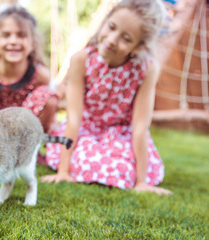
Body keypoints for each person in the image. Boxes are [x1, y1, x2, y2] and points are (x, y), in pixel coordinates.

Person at [41, 0, 172, 195]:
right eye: (111, 27)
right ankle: (75, 165)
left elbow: (140, 127)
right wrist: (63, 171)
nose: (111, 39)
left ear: (138, 47)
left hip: (120, 134)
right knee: (84, 161)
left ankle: (129, 174)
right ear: (106, 21)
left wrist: (141, 182)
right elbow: (74, 119)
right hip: (84, 131)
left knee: (124, 169)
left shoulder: (146, 69)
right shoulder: (81, 60)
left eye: (126, 39)